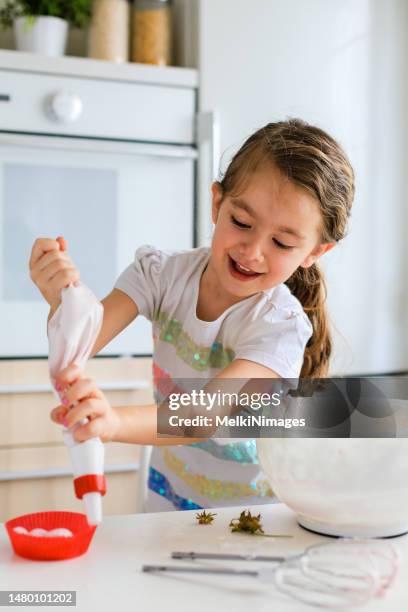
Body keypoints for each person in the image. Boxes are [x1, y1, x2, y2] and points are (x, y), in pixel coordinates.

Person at [29, 118, 355, 512]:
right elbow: (82, 341)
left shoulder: (279, 327)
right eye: (241, 222)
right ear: (218, 203)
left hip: (253, 514)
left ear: (313, 253)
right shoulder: (161, 274)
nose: (252, 251)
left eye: (282, 242)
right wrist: (62, 300)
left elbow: (203, 415)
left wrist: (114, 423)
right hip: (168, 495)